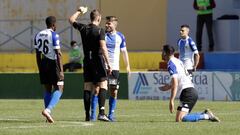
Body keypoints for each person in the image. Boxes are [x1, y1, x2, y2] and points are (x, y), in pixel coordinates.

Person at [69, 7, 112, 121]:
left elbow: (71, 19)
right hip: (97, 60)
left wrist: (79, 11)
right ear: (98, 18)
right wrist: (108, 63)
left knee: (87, 87)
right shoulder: (100, 30)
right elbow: (103, 47)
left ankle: (87, 115)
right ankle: (101, 112)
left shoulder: (83, 28)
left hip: (87, 61)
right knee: (103, 84)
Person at [159, 44, 220, 122]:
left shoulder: (171, 64)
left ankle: (207, 116)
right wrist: (169, 86)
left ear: (165, 53)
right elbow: (178, 79)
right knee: (179, 119)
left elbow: (175, 82)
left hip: (187, 93)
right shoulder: (178, 61)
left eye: (162, 52)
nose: (161, 54)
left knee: (181, 119)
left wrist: (171, 100)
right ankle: (204, 113)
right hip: (189, 91)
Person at [90, 16, 131, 122]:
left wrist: (128, 66)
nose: (106, 25)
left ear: (114, 24)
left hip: (115, 68)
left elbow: (124, 52)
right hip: (102, 67)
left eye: (109, 23)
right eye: (106, 23)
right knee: (97, 90)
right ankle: (93, 115)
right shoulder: (103, 35)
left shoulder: (120, 36)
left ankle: (111, 115)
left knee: (114, 91)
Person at [34, 16, 64, 123]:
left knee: (47, 89)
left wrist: (40, 67)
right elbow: (58, 53)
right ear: (54, 25)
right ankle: (48, 110)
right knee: (59, 88)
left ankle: (47, 116)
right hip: (53, 63)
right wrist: (61, 70)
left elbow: (37, 54)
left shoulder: (38, 35)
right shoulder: (54, 35)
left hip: (43, 62)